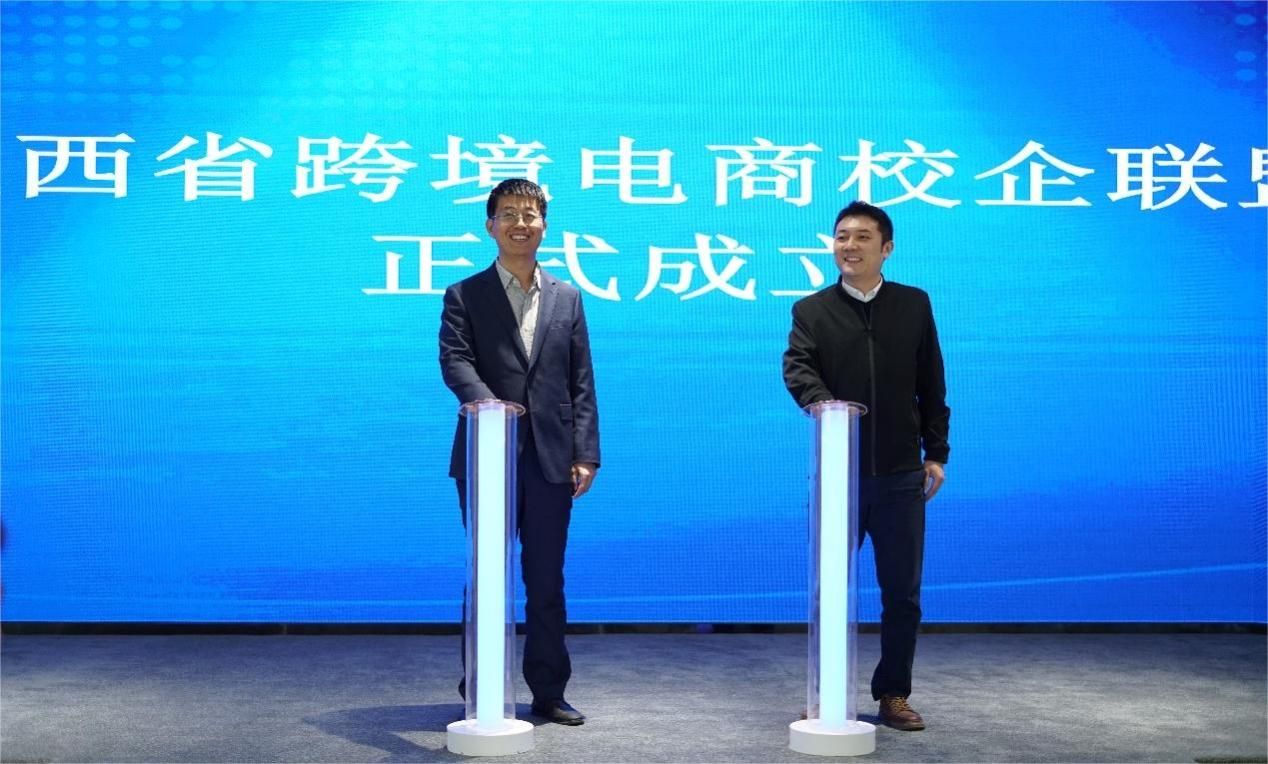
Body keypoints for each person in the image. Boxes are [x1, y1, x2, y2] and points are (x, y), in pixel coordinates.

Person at [782, 200, 950, 732]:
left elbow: (932, 382)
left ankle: (893, 694)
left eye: (861, 237)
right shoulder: (812, 310)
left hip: (901, 475)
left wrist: (936, 452)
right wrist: (827, 406)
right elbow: (797, 368)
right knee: (828, 590)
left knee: (902, 593)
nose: (848, 246)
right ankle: (825, 695)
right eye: (841, 237)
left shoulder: (913, 304)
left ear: (886, 248)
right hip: (840, 474)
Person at [439, 178, 600, 726]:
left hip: (552, 460)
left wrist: (586, 453)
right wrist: (490, 409)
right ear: (490, 226)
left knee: (546, 579)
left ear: (544, 226)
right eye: (508, 214)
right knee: (486, 575)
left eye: (530, 215)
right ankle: (480, 686)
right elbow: (455, 360)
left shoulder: (567, 297)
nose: (520, 223)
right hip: (487, 455)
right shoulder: (464, 294)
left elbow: (581, 380)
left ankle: (549, 692)